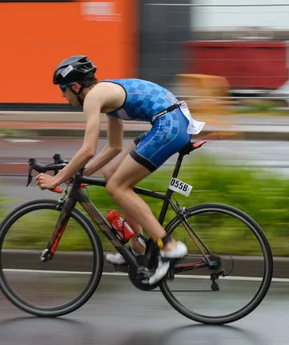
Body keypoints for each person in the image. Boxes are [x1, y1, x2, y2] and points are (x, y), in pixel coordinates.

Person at [35, 55, 204, 284]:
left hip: (168, 126)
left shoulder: (93, 98)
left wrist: (58, 179)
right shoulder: (106, 96)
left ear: (75, 86)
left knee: (117, 187)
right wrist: (80, 174)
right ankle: (138, 247)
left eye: (63, 90)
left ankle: (169, 246)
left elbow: (88, 150)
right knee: (112, 175)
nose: (62, 96)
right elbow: (114, 147)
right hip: (171, 123)